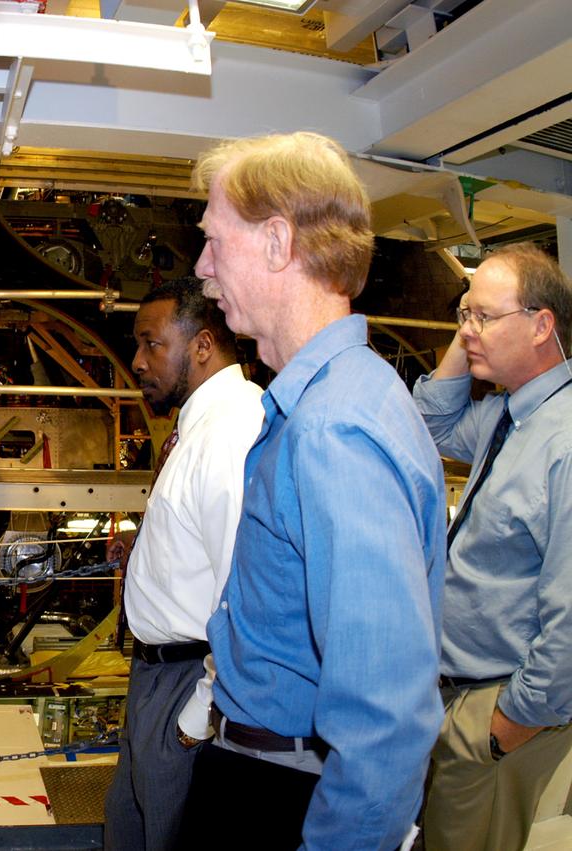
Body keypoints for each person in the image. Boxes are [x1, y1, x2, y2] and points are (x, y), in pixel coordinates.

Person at [177, 131, 446, 850]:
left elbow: (385, 714)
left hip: (283, 794)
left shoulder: (333, 430)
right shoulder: (336, 399)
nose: (202, 268)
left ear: (275, 242)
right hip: (259, 766)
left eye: (213, 240)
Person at [414, 243, 572, 851]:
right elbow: (426, 425)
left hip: (499, 709)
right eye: (464, 314)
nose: (468, 331)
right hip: (459, 698)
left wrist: (505, 727)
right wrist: (471, 329)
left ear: (541, 325)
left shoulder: (561, 440)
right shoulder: (508, 416)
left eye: (483, 317)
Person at [102, 276, 263, 850]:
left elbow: (246, 588)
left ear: (201, 346)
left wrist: (198, 716)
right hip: (157, 678)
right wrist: (149, 549)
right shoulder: (197, 429)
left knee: (165, 835)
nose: (138, 361)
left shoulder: (230, 435)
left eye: (152, 344)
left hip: (187, 683)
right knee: (130, 824)